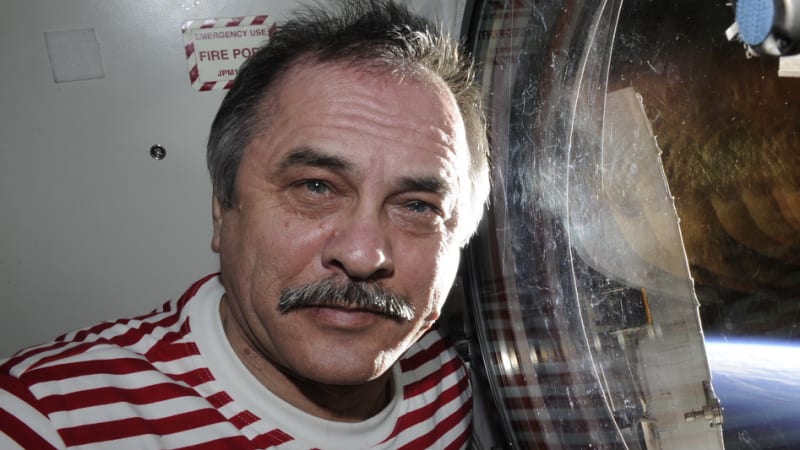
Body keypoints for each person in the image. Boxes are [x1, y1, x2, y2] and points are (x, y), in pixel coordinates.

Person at [0, 0, 490, 448]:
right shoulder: (42, 421)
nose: (363, 255)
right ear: (222, 208)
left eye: (418, 207)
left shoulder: (454, 384)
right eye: (315, 187)